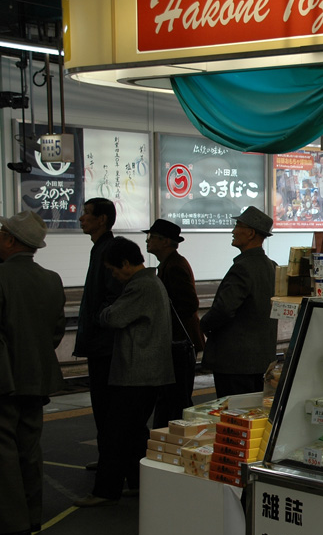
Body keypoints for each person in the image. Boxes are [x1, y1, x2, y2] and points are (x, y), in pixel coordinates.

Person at [75, 237, 175, 507]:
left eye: (114, 269)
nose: (113, 275)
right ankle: (141, 481)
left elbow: (113, 317)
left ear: (127, 264)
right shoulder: (151, 282)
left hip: (137, 373)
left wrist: (103, 311)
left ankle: (105, 490)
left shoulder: (139, 287)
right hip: (148, 372)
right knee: (133, 432)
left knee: (115, 433)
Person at [0, 212, 66, 535]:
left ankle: (12, 522)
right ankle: (34, 515)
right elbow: (55, 333)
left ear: (10, 240)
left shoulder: (1, 277)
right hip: (37, 379)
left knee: (4, 450)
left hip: (5, 380)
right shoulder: (52, 279)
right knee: (30, 446)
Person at [201, 206, 278, 398]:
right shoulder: (271, 267)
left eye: (238, 225)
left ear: (251, 233)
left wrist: (203, 325)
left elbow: (224, 309)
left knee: (234, 416)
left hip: (235, 362)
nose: (233, 231)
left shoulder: (243, 268)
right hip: (261, 359)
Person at [74, 197, 122, 472]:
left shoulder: (107, 250)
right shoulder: (101, 249)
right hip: (101, 342)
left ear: (102, 219)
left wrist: (98, 322)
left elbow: (111, 296)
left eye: (87, 214)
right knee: (105, 408)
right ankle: (109, 460)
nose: (82, 218)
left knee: (106, 408)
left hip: (104, 344)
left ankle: (111, 467)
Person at [143, 219, 204, 427]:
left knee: (175, 397)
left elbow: (188, 303)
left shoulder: (174, 266)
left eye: (152, 237)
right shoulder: (170, 263)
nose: (147, 241)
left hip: (179, 342)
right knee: (171, 396)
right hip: (177, 341)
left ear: (166, 241)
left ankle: (175, 439)